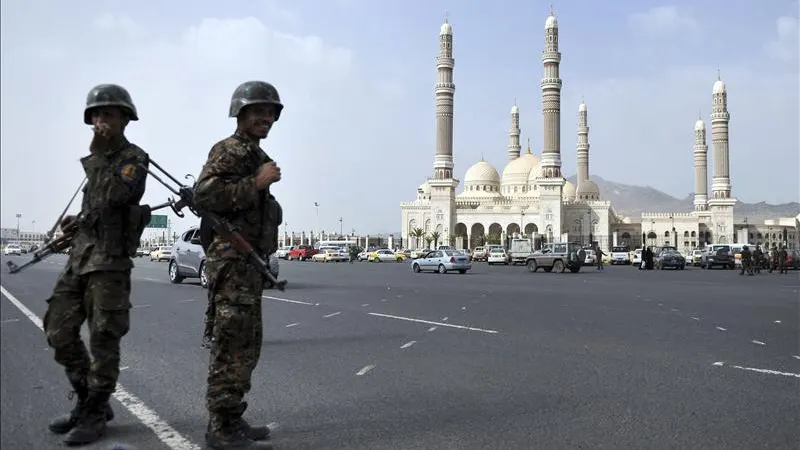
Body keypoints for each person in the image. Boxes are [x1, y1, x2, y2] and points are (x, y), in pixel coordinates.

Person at [44, 84, 150, 445]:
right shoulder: (101, 162)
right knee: (57, 330)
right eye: (96, 115)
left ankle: (94, 412)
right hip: (81, 258)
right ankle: (91, 401)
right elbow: (99, 208)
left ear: (124, 119)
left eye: (108, 114)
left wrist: (98, 157)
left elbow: (116, 196)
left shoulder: (132, 159)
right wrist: (79, 220)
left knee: (104, 338)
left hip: (109, 264)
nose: (100, 122)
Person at [193, 80, 284, 450]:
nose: (265, 117)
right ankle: (220, 428)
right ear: (240, 114)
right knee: (230, 344)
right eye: (258, 111)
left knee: (247, 345)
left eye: (270, 112)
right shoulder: (230, 150)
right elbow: (204, 195)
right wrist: (256, 183)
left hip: (249, 263)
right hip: (231, 263)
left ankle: (232, 417)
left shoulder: (256, 155)